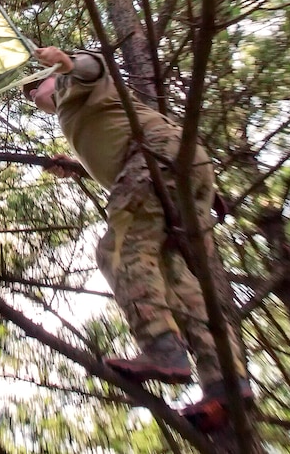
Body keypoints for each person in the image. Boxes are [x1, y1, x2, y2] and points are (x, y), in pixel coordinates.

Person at [27, 46, 251, 432]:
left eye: (35, 87)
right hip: (183, 167)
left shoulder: (72, 83)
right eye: (29, 97)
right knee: (176, 278)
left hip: (154, 159)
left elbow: (93, 66)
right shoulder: (80, 112)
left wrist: (64, 62)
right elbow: (116, 137)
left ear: (52, 75)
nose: (33, 98)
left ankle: (162, 348)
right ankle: (226, 383)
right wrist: (77, 167)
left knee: (118, 248)